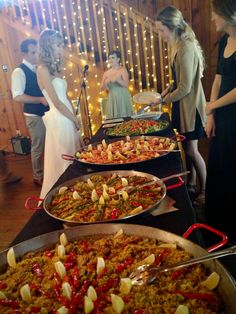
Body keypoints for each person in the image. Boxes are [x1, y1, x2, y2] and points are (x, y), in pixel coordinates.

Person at [155, 6, 207, 205]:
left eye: (161, 30)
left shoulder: (185, 47)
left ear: (172, 27)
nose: (160, 34)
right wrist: (168, 89)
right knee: (187, 147)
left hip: (190, 105)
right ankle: (192, 183)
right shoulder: (177, 43)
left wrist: (161, 101)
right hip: (182, 104)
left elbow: (185, 87)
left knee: (192, 149)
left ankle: (205, 190)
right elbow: (179, 80)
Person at [204, 0, 236, 244]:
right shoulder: (225, 40)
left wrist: (212, 105)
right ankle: (216, 228)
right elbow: (217, 80)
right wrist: (211, 114)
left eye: (215, 14)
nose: (213, 18)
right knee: (218, 165)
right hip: (221, 117)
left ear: (227, 14)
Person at [37, 29, 82, 199]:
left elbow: (65, 97)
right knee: (65, 160)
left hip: (67, 116)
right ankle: (65, 197)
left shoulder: (54, 68)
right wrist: (73, 119)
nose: (61, 48)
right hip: (59, 118)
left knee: (73, 156)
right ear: (48, 46)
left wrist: (76, 118)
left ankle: (76, 194)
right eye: (58, 45)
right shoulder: (42, 69)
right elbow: (55, 102)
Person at [11, 38, 49, 186]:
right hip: (34, 116)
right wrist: (39, 99)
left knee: (49, 145)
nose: (37, 55)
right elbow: (17, 96)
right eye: (33, 52)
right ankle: (38, 176)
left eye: (37, 51)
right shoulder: (19, 71)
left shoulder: (39, 68)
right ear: (24, 53)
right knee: (38, 147)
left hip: (47, 113)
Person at [100, 50, 133, 119]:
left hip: (122, 97)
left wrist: (118, 80)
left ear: (118, 59)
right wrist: (107, 82)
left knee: (124, 118)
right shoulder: (106, 73)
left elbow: (126, 84)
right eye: (109, 58)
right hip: (112, 97)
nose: (110, 60)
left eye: (113, 58)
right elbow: (101, 88)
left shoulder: (122, 70)